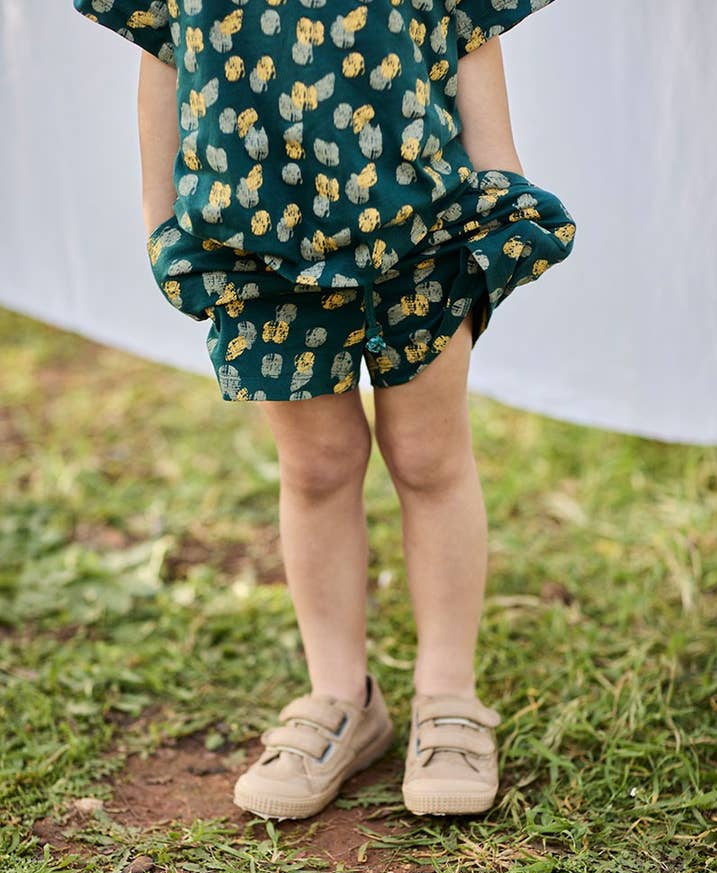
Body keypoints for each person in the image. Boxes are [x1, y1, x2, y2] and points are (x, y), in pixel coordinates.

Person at [73, 0, 577, 820]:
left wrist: (502, 184)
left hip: (423, 230)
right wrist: (159, 216)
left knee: (428, 457)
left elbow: (469, 32)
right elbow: (165, 53)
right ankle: (340, 696)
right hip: (253, 243)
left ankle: (450, 694)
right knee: (316, 466)